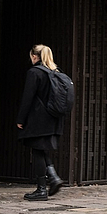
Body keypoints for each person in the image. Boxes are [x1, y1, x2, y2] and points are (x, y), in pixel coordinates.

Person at [16, 44, 66, 201]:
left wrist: (20, 119)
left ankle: (41, 189)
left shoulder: (34, 72)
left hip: (39, 119)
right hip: (54, 118)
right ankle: (53, 177)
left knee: (37, 151)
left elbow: (27, 98)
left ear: (34, 56)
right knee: (42, 150)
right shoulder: (56, 72)